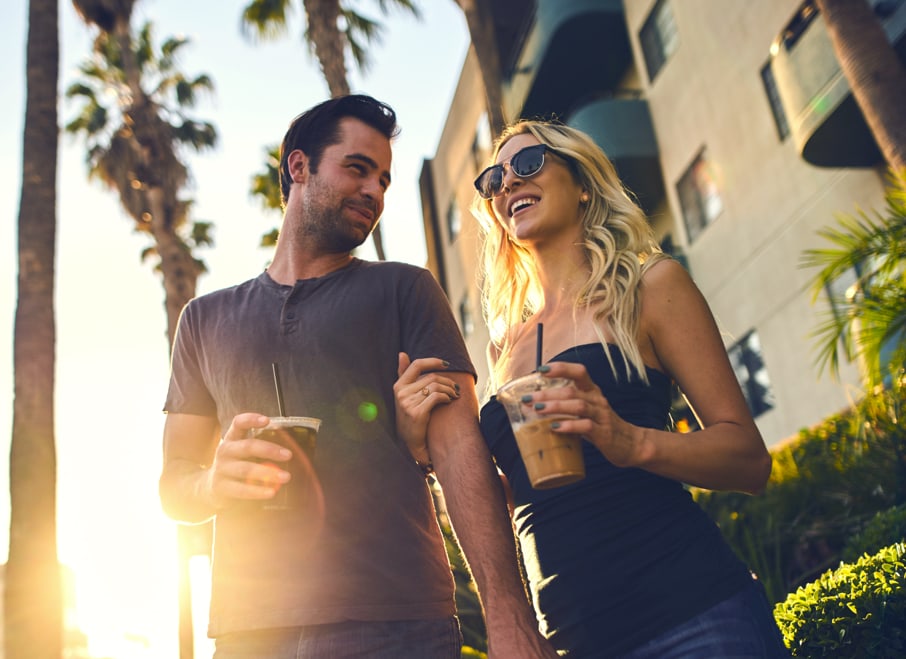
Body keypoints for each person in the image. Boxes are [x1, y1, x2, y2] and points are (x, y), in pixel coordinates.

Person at [158, 94, 557, 659]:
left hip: (394, 624)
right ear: (299, 167)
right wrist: (211, 482)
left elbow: (462, 455)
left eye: (385, 181)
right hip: (248, 636)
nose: (375, 191)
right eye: (357, 168)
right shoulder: (202, 320)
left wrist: (509, 620)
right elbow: (174, 485)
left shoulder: (406, 291)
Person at [395, 120, 791, 657]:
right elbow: (518, 496)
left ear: (582, 184)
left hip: (695, 618)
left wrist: (631, 441)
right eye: (493, 179)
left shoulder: (650, 287)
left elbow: (749, 461)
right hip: (574, 638)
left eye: (528, 164)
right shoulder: (503, 347)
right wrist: (426, 454)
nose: (507, 183)